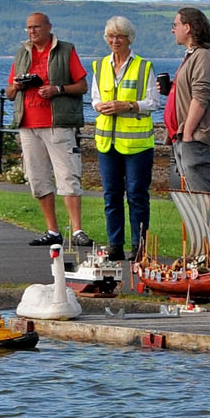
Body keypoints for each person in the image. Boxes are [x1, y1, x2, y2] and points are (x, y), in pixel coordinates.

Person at [4, 11, 90, 248]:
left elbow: (82, 85)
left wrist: (57, 89)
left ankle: (77, 230)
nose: (32, 32)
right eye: (28, 28)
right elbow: (9, 92)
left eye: (36, 27)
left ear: (49, 27)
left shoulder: (65, 50)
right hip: (28, 125)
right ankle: (52, 230)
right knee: (38, 177)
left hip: (57, 123)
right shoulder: (22, 53)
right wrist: (18, 86)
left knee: (68, 175)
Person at [86, 16, 159, 263]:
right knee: (111, 195)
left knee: (137, 195)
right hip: (107, 142)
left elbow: (152, 103)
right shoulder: (99, 66)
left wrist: (127, 105)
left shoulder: (144, 67)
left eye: (120, 36)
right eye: (111, 36)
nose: (115, 41)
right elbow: (95, 98)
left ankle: (139, 246)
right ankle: (115, 244)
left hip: (137, 144)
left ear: (130, 39)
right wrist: (101, 106)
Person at [168, 7, 210, 247]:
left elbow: (201, 96)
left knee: (204, 193)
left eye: (176, 24)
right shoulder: (193, 55)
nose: (173, 29)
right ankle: (201, 245)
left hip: (196, 136)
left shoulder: (205, 56)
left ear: (189, 27)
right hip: (185, 136)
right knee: (194, 195)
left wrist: (187, 131)